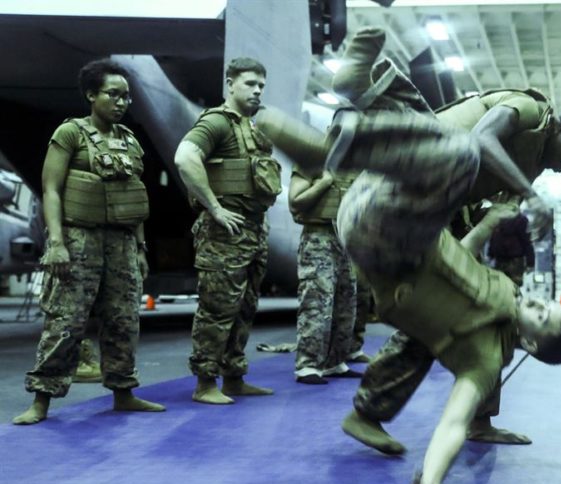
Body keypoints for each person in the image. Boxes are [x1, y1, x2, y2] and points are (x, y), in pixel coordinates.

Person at [325, 28, 561, 450]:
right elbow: (481, 139)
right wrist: (532, 198)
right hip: (419, 170)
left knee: (446, 318)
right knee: (446, 146)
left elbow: (486, 213)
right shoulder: (529, 110)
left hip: (438, 204)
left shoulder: (532, 165)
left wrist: (488, 235)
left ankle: (375, 414)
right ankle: (361, 100)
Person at [330, 111, 561, 484]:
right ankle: (353, 125)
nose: (534, 302)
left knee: (464, 152)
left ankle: (355, 134)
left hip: (383, 242)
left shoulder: (484, 361)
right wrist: (486, 224)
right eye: (544, 303)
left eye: (540, 315)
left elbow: (453, 421)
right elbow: (462, 257)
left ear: (531, 346)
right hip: (386, 214)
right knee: (448, 137)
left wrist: (432, 476)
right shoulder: (506, 293)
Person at [14, 58, 164, 425]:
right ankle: (42, 401)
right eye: (113, 95)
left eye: (127, 96)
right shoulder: (70, 134)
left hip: (123, 242)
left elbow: (134, 198)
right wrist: (56, 242)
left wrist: (141, 248)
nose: (122, 102)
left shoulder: (129, 140)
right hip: (80, 239)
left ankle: (123, 393)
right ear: (91, 95)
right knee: (66, 321)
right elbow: (51, 189)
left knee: (124, 320)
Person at [174, 57, 282, 404]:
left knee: (246, 306)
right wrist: (215, 207)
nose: (257, 90)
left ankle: (233, 376)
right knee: (217, 308)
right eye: (250, 84)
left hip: (252, 230)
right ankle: (205, 383)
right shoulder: (217, 123)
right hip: (224, 234)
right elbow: (185, 157)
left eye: (261, 85)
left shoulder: (253, 127)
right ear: (230, 84)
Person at [288, 163, 362, 384]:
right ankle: (308, 365)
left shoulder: (357, 167)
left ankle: (335, 361)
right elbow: (295, 201)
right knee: (316, 302)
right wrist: (324, 182)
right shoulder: (312, 161)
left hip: (346, 239)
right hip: (318, 237)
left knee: (346, 303)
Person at [487, 203, 535, 287]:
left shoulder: (499, 219)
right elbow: (527, 242)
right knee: (512, 287)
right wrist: (530, 262)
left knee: (500, 286)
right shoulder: (521, 220)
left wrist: (491, 254)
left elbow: (493, 237)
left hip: (502, 260)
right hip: (513, 261)